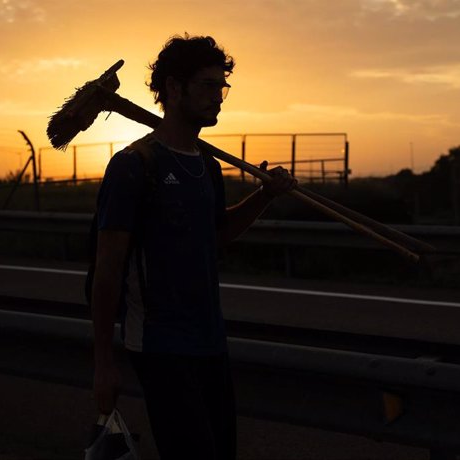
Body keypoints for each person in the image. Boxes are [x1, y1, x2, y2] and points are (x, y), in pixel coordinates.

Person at [90, 34, 296, 460]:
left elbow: (217, 235)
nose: (218, 97)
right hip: (160, 345)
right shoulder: (133, 166)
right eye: (207, 85)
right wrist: (103, 362)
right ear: (172, 87)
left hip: (210, 341)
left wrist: (264, 196)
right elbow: (107, 268)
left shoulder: (206, 164)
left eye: (222, 86)